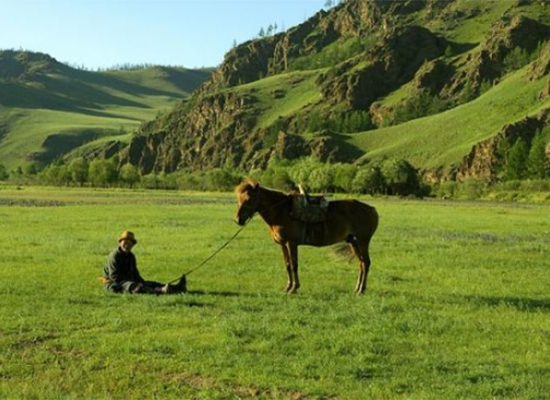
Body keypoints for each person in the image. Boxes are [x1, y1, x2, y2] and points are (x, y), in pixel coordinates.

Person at [102, 230, 186, 294]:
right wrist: (134, 282)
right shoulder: (114, 256)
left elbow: (135, 274)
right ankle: (160, 291)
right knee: (135, 286)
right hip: (115, 284)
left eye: (130, 242)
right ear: (120, 242)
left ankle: (177, 288)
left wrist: (142, 282)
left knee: (149, 283)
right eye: (125, 242)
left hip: (128, 281)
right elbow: (115, 277)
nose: (127, 244)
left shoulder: (131, 256)